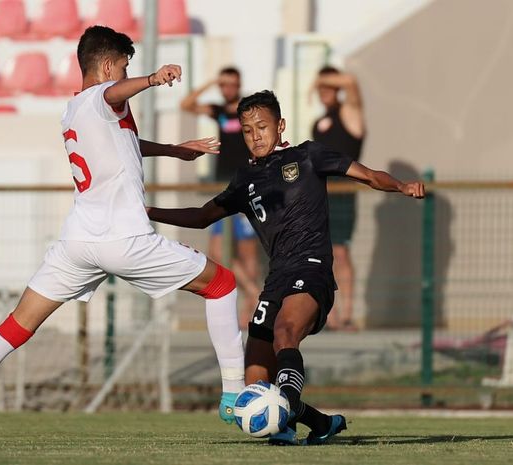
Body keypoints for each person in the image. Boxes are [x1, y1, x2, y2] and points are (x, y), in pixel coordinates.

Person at [0, 26, 246, 446]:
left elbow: (122, 141)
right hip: (123, 238)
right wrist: (153, 79)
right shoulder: (101, 98)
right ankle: (234, 393)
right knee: (221, 283)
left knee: (16, 325)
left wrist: (174, 150)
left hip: (76, 244)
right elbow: (112, 95)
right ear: (108, 66)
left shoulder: (73, 109)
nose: (126, 72)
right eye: (124, 65)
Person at [147, 90, 424, 445]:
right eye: (247, 130)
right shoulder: (245, 179)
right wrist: (150, 213)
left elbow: (368, 175)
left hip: (312, 268)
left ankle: (286, 413)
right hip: (276, 277)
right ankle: (319, 423)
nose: (255, 136)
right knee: (255, 381)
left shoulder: (309, 156)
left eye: (262, 127)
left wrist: (401, 186)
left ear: (280, 126)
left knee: (285, 332)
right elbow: (202, 217)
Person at [180, 67, 260, 327]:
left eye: (232, 84)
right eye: (224, 85)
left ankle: (253, 307)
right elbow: (187, 104)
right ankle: (252, 292)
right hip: (223, 188)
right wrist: (212, 80)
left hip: (246, 186)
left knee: (248, 251)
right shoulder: (219, 111)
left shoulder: (248, 109)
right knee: (218, 249)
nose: (228, 89)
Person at [311, 66, 366, 331]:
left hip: (343, 193)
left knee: (342, 252)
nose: (323, 91)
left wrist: (319, 79)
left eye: (328, 86)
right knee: (324, 254)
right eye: (321, 88)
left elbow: (351, 80)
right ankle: (328, 316)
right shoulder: (318, 123)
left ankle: (347, 314)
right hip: (320, 193)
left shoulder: (349, 113)